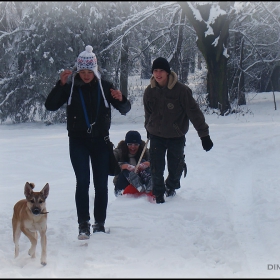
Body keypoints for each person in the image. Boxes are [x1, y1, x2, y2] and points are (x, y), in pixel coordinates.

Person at [44, 45, 131, 239]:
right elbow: (50, 106)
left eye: (89, 71)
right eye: (82, 71)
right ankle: (83, 224)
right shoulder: (70, 87)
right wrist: (60, 85)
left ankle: (99, 224)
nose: (85, 75)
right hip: (78, 142)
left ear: (95, 70)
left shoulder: (105, 86)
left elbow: (125, 109)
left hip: (100, 141)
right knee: (82, 182)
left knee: (101, 184)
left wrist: (122, 99)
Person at [143, 57, 213, 204]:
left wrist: (204, 135)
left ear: (167, 72)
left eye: (161, 70)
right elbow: (148, 113)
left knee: (175, 168)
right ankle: (159, 194)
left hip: (176, 135)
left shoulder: (181, 91)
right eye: (155, 70)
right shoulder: (150, 91)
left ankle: (170, 187)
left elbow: (194, 113)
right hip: (156, 135)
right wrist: (148, 127)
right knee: (156, 167)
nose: (158, 74)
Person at [113, 130, 152, 196]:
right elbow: (110, 164)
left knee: (143, 162)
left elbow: (156, 161)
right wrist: (123, 166)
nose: (133, 147)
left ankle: (149, 183)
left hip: (143, 185)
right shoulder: (119, 152)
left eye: (136, 144)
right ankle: (134, 181)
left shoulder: (144, 152)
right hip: (123, 186)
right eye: (130, 144)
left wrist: (148, 164)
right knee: (126, 168)